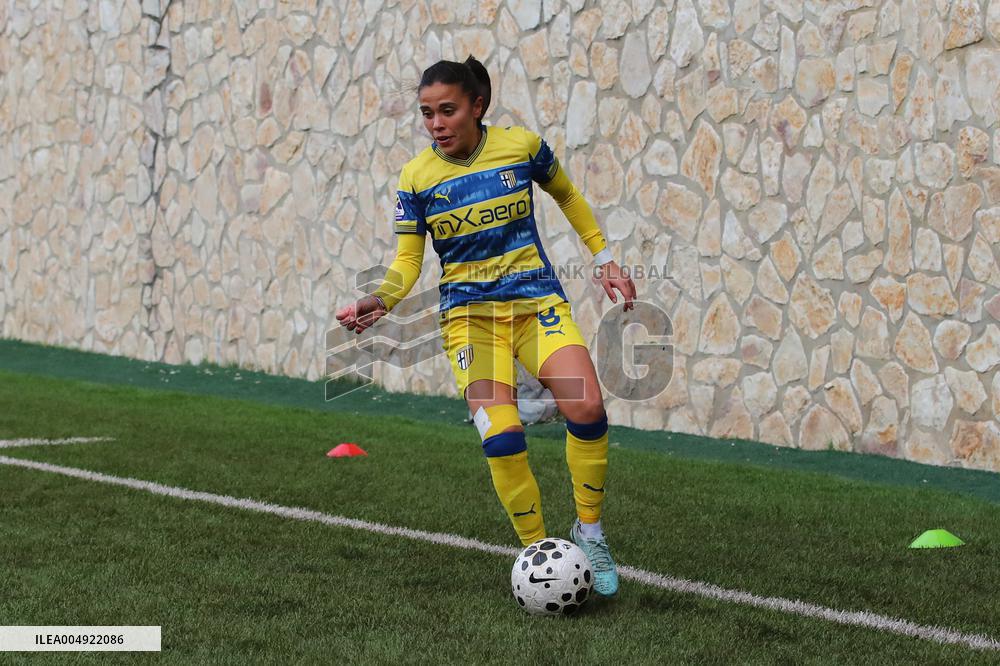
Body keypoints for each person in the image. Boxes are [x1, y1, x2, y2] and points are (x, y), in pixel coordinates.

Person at [335, 57, 636, 597]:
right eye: (427, 113)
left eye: (447, 110)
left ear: (477, 106)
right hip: (470, 322)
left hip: (535, 306)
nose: (436, 124)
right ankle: (539, 554)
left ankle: (589, 532)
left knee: (588, 407)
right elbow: (408, 260)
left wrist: (604, 258)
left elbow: (566, 195)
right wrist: (381, 299)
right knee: (502, 437)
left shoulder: (521, 148)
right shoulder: (416, 178)